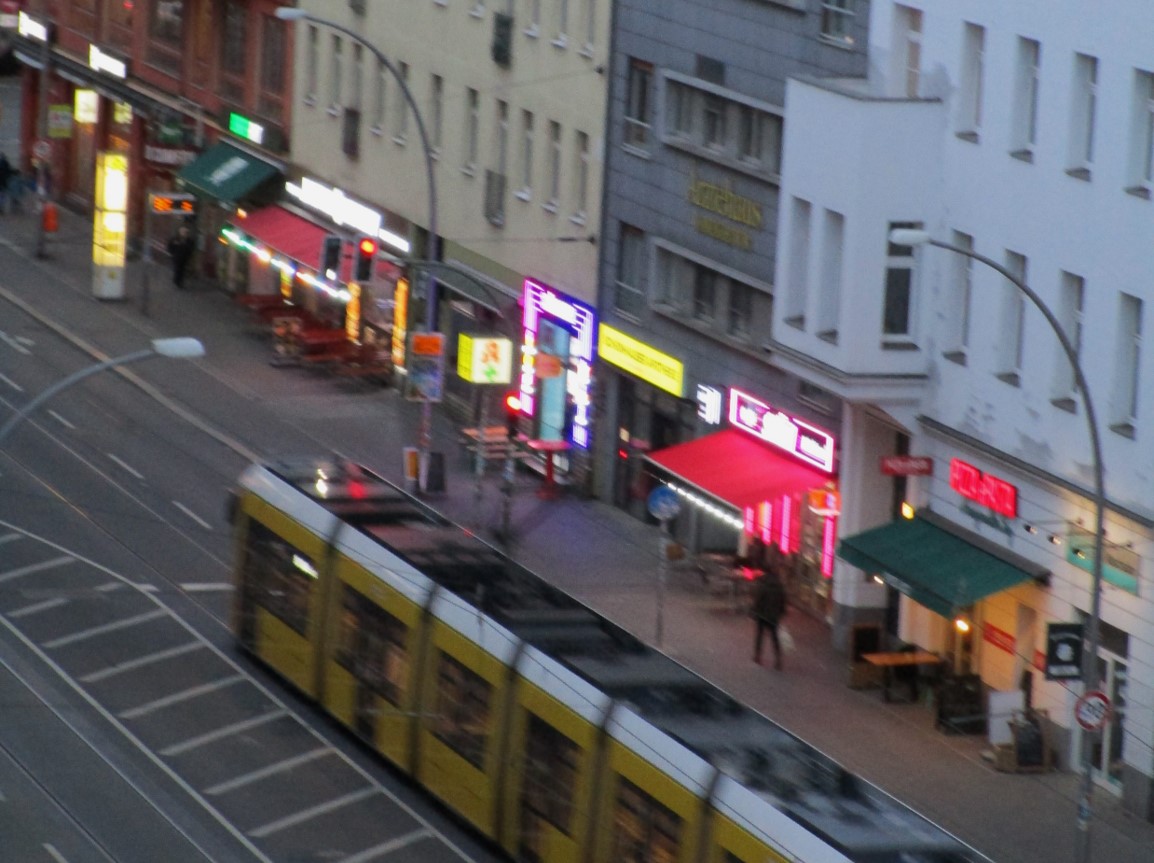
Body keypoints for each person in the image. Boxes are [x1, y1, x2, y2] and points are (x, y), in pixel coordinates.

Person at [751, 567, 787, 670]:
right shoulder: (779, 586)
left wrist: (754, 611)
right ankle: (778, 659)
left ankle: (758, 656)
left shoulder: (763, 584)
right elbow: (783, 600)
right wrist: (781, 612)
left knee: (760, 636)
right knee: (774, 637)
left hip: (762, 614)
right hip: (773, 616)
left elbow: (758, 599)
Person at [166, 224, 195, 289]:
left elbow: (190, 248)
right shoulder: (175, 239)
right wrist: (172, 253)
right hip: (176, 257)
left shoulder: (189, 240)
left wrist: (188, 255)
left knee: (182, 270)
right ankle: (177, 281)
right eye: (182, 232)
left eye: (185, 232)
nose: (184, 233)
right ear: (180, 231)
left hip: (184, 258)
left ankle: (179, 281)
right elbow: (170, 246)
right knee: (177, 269)